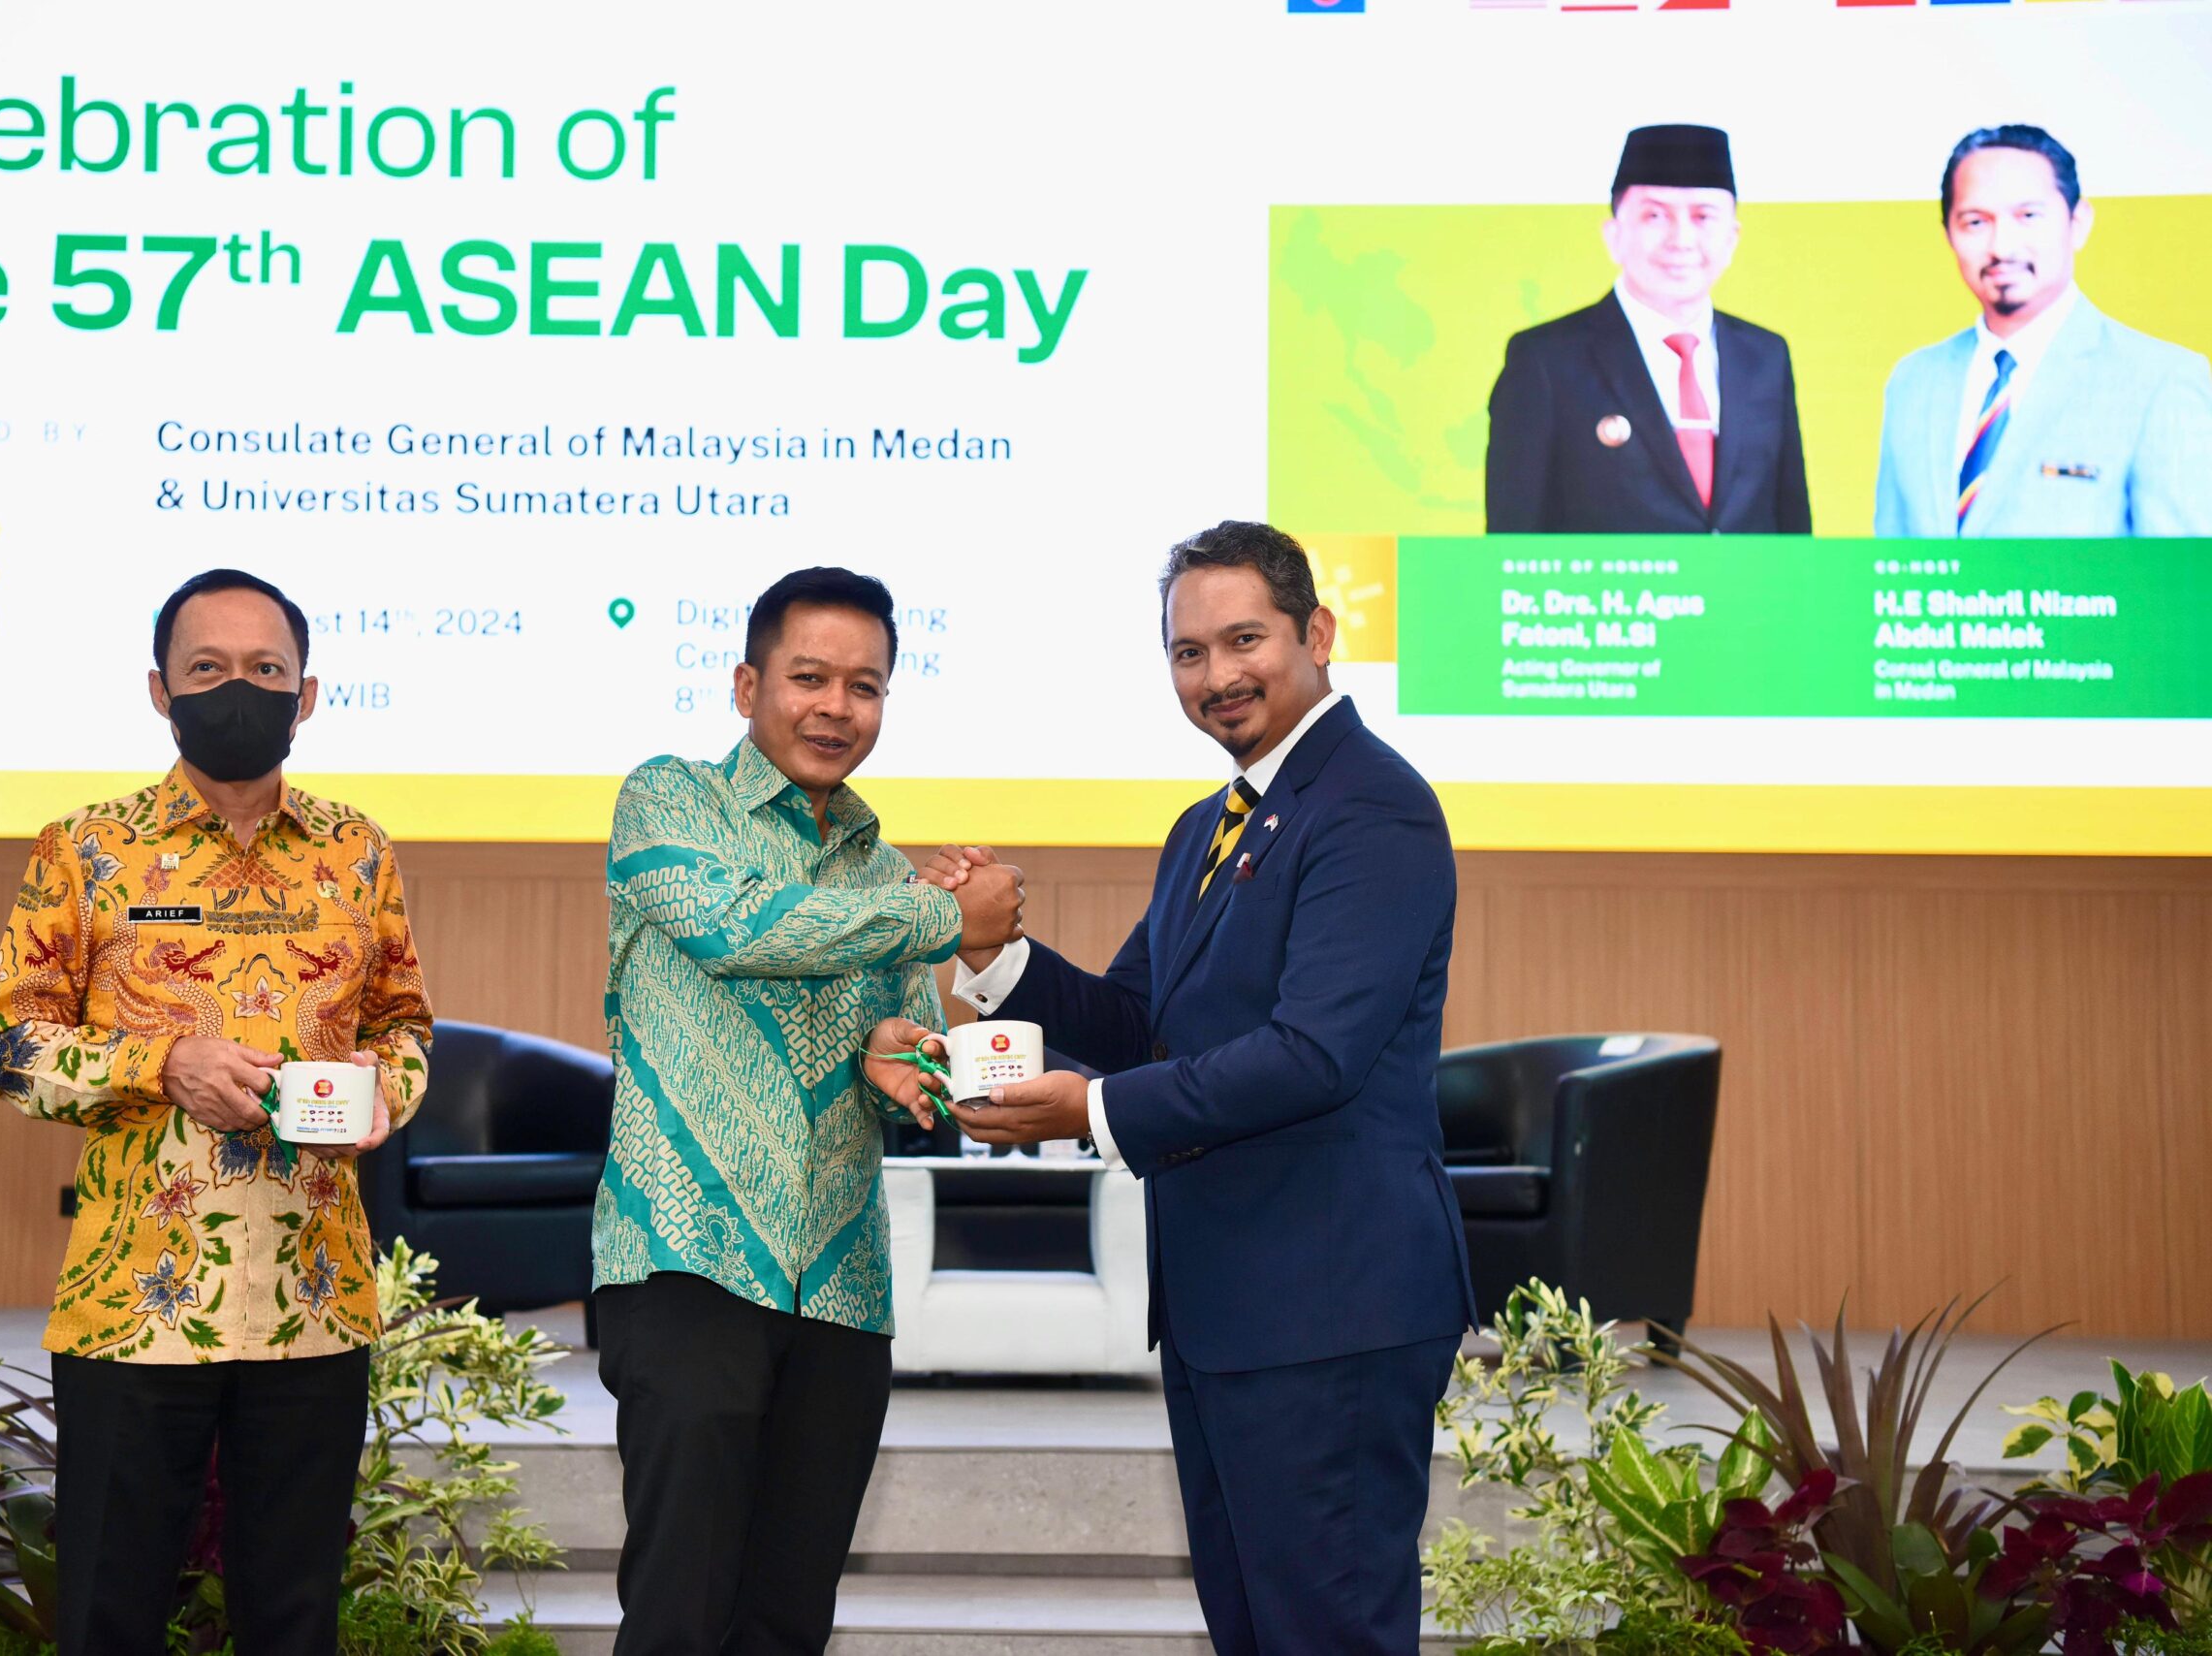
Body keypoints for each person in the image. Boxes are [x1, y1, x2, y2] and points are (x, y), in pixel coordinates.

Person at [921, 522, 1474, 1655]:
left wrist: (1089, 1112)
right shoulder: (1204, 827)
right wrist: (996, 955)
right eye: (1187, 653)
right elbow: (1140, 1021)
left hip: (1331, 1309)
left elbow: (1314, 1054)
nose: (1217, 677)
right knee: (1256, 1629)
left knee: (1327, 1632)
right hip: (1233, 1308)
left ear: (1317, 634)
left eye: (1243, 640)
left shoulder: (1371, 805)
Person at [0, 567, 432, 1656]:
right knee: (109, 1610)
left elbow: (405, 1024)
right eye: (209, 669)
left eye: (265, 670)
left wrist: (381, 1099)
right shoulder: (84, 847)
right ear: (159, 689)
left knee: (292, 1613)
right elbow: (4, 1044)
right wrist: (159, 1064)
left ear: (306, 695)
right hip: (137, 1297)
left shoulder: (357, 850)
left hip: (313, 1294)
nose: (240, 689)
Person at [592, 565, 1026, 1656]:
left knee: (788, 1619)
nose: (837, 706)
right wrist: (939, 912)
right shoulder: (668, 796)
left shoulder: (880, 869)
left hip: (839, 1285)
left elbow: (894, 1056)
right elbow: (740, 929)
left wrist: (904, 1064)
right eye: (809, 677)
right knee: (679, 1610)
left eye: (865, 686)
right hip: (686, 1261)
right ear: (748, 685)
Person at [1875, 124, 2212, 538]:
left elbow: (2178, 583)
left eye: (2028, 216)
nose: (2002, 246)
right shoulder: (1914, 380)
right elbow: (1892, 577)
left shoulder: (2160, 380)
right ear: (1948, 232)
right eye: (1975, 221)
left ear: (2078, 222)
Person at [1485, 123, 1811, 534]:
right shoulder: (1546, 361)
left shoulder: (1765, 356)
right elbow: (1514, 542)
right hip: (1610, 599)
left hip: (1746, 599)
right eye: (1655, 215)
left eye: (1703, 216)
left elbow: (1793, 529)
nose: (1682, 239)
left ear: (1732, 238)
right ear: (1614, 235)